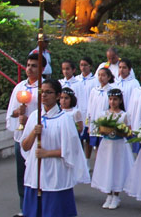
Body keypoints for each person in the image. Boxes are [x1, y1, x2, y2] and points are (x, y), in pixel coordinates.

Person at [19, 80, 90, 217]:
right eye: (42, 92)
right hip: (36, 174)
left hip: (55, 173)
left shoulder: (64, 119)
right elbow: (25, 146)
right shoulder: (35, 116)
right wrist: (34, 132)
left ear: (58, 96)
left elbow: (71, 150)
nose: (44, 95)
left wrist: (47, 153)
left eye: (48, 92)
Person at [6, 53, 42, 217]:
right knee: (22, 174)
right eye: (28, 65)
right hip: (21, 138)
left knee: (37, 175)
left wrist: (30, 120)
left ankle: (39, 209)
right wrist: (17, 112)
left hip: (37, 138)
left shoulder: (44, 88)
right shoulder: (19, 87)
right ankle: (24, 208)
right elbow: (11, 113)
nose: (29, 68)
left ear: (41, 68)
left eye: (34, 65)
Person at [91, 88, 135, 210]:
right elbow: (99, 130)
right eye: (110, 99)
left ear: (120, 100)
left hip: (119, 145)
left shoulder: (124, 115)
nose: (112, 102)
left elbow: (129, 132)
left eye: (115, 99)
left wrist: (120, 131)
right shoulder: (103, 114)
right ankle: (108, 194)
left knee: (117, 168)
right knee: (107, 167)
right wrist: (105, 129)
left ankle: (116, 195)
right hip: (107, 145)